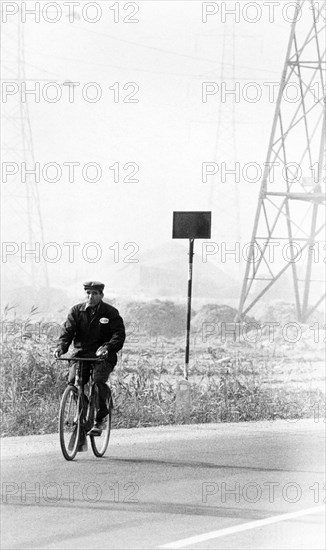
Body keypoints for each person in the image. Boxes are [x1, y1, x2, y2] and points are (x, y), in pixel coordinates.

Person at [54, 281, 125, 436]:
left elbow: (118, 335)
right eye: (88, 293)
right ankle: (84, 411)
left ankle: (99, 420)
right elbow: (67, 332)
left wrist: (107, 347)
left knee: (99, 381)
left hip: (103, 356)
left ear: (101, 295)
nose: (90, 296)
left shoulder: (110, 312)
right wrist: (61, 348)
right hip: (81, 354)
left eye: (94, 293)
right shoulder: (76, 311)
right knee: (73, 383)